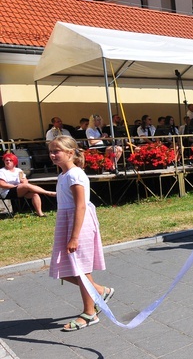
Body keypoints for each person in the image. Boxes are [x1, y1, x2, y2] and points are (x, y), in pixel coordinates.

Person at [48, 136, 114, 331]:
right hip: (67, 222)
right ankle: (100, 291)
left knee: (80, 269)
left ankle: (90, 312)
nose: (52, 155)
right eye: (50, 151)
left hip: (79, 224)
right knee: (63, 268)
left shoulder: (75, 175)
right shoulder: (63, 176)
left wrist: (74, 236)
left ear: (70, 152)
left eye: (56, 151)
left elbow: (80, 206)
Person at [0, 152, 56, 217]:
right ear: (4, 161)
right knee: (26, 186)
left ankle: (40, 213)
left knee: (35, 194)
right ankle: (48, 193)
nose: (8, 162)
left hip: (20, 190)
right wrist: (15, 186)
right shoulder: (2, 171)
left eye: (10, 160)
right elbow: (2, 184)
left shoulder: (18, 170)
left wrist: (23, 182)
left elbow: (25, 181)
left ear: (14, 161)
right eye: (6, 160)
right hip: (7, 192)